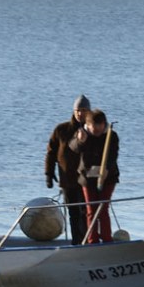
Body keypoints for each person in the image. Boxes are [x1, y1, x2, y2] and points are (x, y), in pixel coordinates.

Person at [44, 94, 92, 244]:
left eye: (84, 110)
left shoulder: (92, 130)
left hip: (86, 180)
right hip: (67, 179)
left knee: (86, 213)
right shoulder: (61, 129)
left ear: (89, 112)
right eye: (78, 110)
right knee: (73, 213)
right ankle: (76, 241)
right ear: (74, 111)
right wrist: (49, 173)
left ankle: (87, 240)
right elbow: (51, 153)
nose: (80, 113)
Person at [68, 108, 120, 244]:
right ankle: (93, 240)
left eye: (99, 127)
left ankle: (107, 239)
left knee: (103, 208)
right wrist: (80, 141)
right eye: (93, 128)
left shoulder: (111, 135)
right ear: (88, 125)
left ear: (104, 124)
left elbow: (113, 155)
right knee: (91, 209)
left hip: (108, 177)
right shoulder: (82, 133)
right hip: (87, 177)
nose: (96, 131)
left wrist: (107, 169)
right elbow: (73, 148)